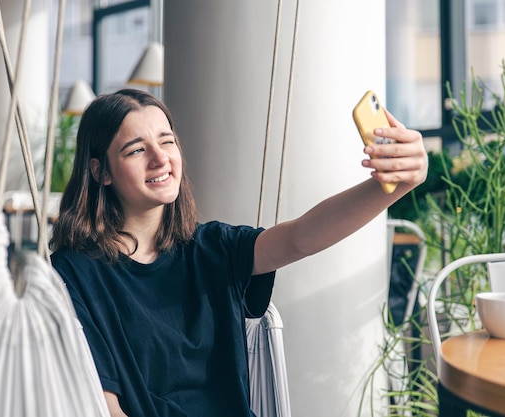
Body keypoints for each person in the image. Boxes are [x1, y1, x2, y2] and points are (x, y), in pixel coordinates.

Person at [50, 88, 428, 417]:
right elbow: (106, 407)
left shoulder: (213, 249)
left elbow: (301, 237)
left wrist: (392, 188)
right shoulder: (74, 273)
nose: (160, 158)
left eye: (167, 141)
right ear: (101, 172)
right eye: (136, 150)